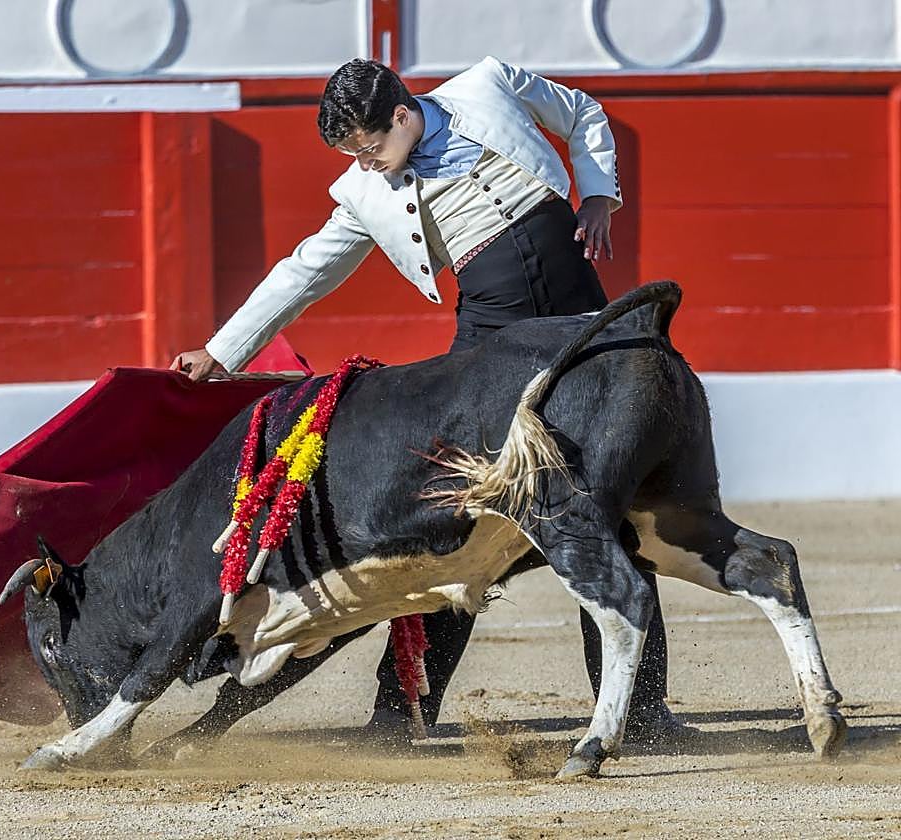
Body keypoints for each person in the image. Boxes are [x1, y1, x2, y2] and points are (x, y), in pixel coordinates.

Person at [172, 56, 683, 741]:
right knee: (456, 523)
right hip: (492, 336)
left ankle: (643, 715)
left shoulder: (488, 84)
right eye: (354, 155)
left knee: (614, 505)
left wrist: (598, 196)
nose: (368, 164)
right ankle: (402, 711)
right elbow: (305, 270)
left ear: (403, 114)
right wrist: (222, 350)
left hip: (581, 318)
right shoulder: (364, 192)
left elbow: (582, 111)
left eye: (371, 146)